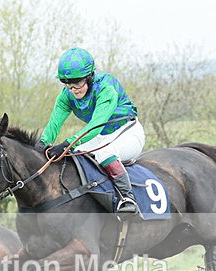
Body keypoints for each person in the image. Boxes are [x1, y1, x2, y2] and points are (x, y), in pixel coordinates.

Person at [39, 47, 146, 215]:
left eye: (77, 82)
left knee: (104, 153)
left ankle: (128, 199)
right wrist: (42, 144)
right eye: (67, 83)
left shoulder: (106, 88)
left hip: (128, 131)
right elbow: (54, 124)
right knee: (75, 156)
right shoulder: (66, 95)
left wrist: (67, 143)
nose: (73, 88)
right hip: (102, 136)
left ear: (89, 76)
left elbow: (97, 125)